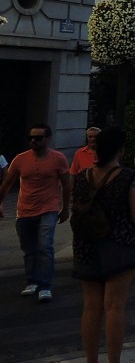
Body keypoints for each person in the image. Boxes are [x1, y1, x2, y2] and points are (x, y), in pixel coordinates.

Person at [73, 127, 135, 363]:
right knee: (115, 307)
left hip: (87, 246)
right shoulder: (127, 177)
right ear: (120, 150)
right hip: (119, 245)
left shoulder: (83, 176)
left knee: (91, 307)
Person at [0, 123, 71, 301]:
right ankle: (32, 281)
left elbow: (66, 185)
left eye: (38, 138)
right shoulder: (20, 159)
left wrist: (65, 208)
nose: (33, 141)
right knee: (29, 248)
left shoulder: (58, 158)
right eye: (30, 138)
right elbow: (7, 183)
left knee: (45, 246)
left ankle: (45, 285)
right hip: (24, 210)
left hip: (49, 208)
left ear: (48, 139)